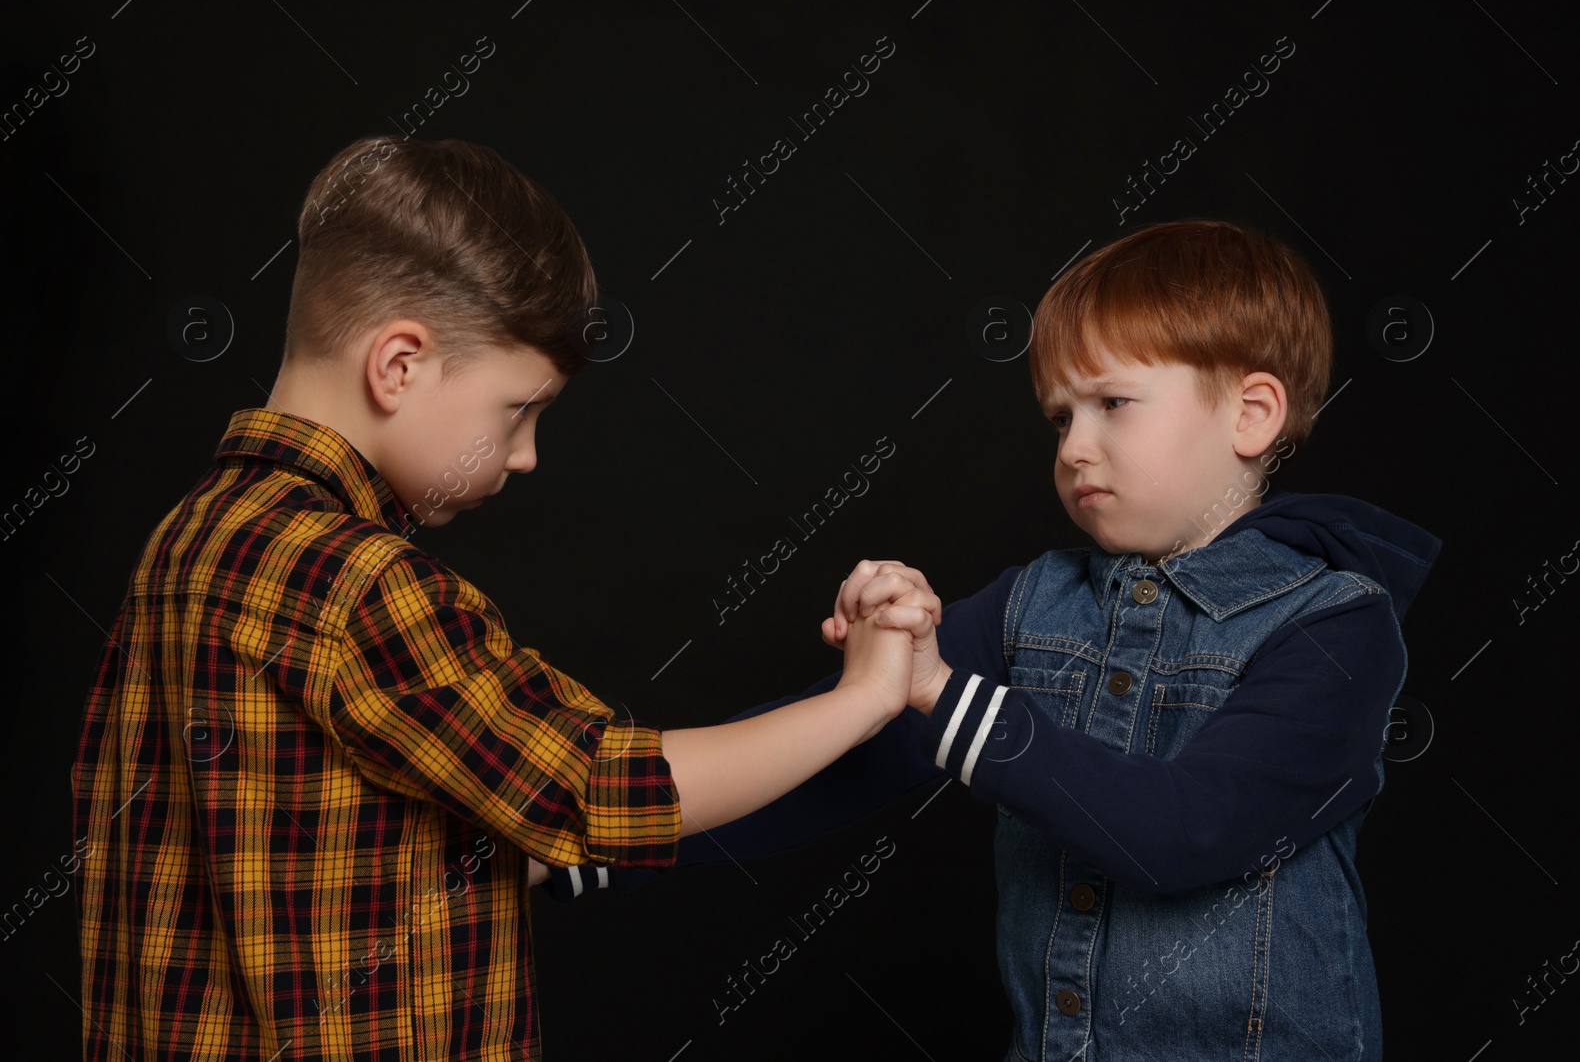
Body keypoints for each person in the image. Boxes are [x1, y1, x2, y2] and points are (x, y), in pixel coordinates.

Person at [68, 134, 935, 1062]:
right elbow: (601, 789)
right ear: (398, 364)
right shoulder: (359, 583)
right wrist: (863, 697)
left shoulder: (187, 541)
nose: (524, 455)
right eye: (518, 409)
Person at [556, 219, 1442, 1060]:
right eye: (1060, 417)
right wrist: (591, 843)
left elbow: (1185, 833)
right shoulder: (1035, 602)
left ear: (1252, 416)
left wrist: (939, 688)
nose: (1074, 447)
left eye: (1112, 403)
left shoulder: (1334, 625)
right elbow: (833, 766)